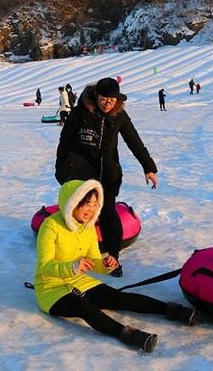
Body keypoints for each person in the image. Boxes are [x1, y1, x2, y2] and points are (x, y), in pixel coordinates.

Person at [34, 179, 195, 352]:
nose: (91, 209)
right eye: (87, 204)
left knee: (118, 297)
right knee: (83, 307)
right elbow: (44, 266)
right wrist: (72, 267)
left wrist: (106, 264)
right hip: (51, 289)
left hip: (80, 282)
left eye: (95, 204)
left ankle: (171, 310)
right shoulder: (51, 226)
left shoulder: (88, 227)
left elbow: (94, 261)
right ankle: (128, 334)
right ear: (72, 203)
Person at [56, 78, 158, 277]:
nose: (107, 103)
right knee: (78, 211)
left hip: (107, 172)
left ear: (117, 100)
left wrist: (148, 167)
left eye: (112, 100)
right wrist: (61, 166)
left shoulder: (119, 115)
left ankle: (113, 257)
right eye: (103, 99)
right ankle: (71, 254)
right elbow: (65, 141)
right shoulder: (80, 112)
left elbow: (134, 141)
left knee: (108, 212)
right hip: (81, 171)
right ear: (96, 96)